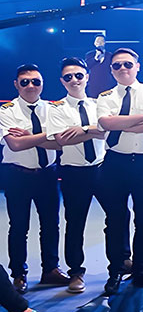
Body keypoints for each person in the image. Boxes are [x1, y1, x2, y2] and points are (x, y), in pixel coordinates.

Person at [96, 48, 143, 295]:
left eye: (128, 64)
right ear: (111, 70)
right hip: (115, 163)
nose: (122, 68)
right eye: (117, 65)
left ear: (137, 66)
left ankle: (140, 268)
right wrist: (142, 118)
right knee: (114, 219)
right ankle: (115, 270)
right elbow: (107, 123)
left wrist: (123, 123)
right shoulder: (105, 97)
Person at [0, 64, 67, 294]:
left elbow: (60, 144)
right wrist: (46, 136)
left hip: (48, 174)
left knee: (51, 224)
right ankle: (18, 274)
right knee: (19, 226)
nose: (31, 86)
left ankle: (51, 269)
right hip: (17, 175)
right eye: (25, 81)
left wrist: (31, 136)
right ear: (16, 84)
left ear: (42, 84)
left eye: (36, 81)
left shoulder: (53, 109)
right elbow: (15, 144)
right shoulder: (6, 111)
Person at [46, 57, 107, 294]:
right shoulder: (56, 108)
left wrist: (81, 130)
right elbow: (61, 139)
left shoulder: (99, 104)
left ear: (87, 77)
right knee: (75, 223)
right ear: (62, 81)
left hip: (102, 169)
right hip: (73, 172)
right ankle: (76, 272)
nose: (74, 80)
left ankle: (122, 260)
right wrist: (94, 130)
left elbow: (107, 132)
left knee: (118, 215)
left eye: (79, 75)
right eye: (68, 77)